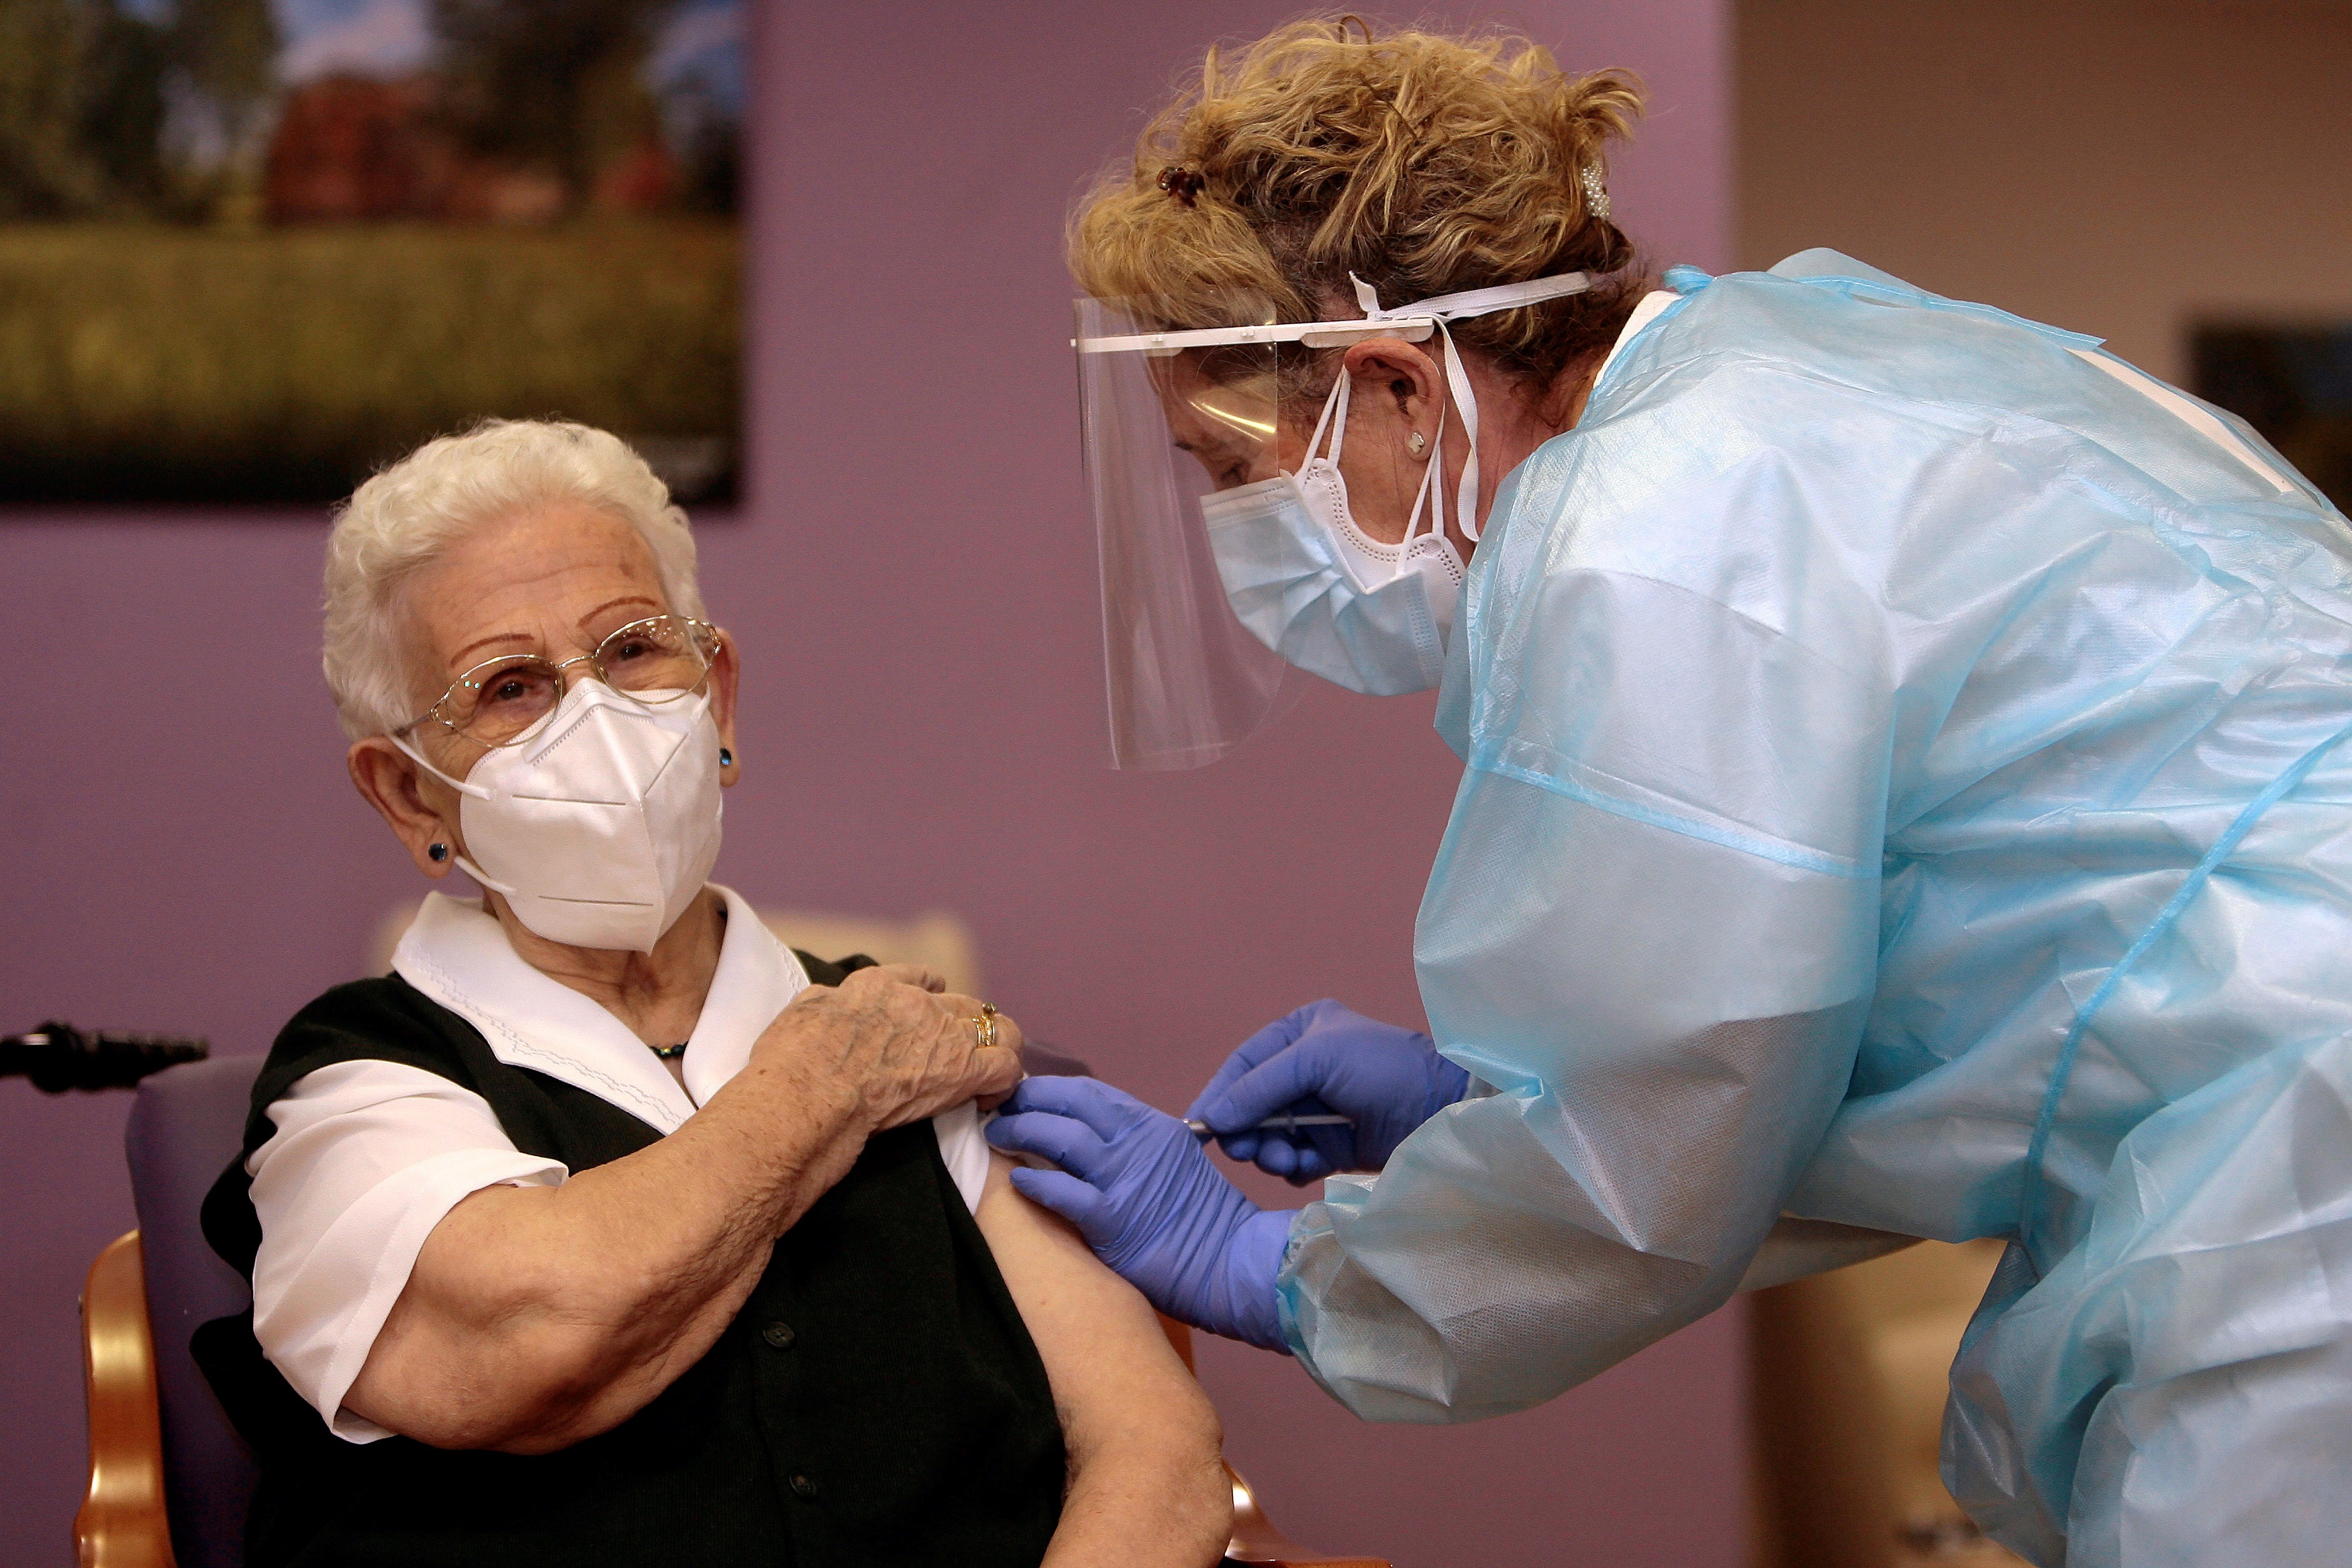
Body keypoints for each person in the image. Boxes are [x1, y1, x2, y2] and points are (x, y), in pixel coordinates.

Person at [983, 19, 2352, 1566]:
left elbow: (1667, 1131)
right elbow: (1843, 1002)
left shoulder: (1651, 526)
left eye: (1236, 473)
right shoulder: (1782, 366)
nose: (1238, 531)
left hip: (2305, 1160)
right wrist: (1491, 1101)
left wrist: (1280, 1268)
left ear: (1396, 389)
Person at [193, 420, 1230, 1568]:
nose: (594, 717)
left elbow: (1155, 1449)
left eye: (633, 650)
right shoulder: (359, 1085)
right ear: (408, 796)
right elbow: (543, 1330)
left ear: (720, 697)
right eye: (510, 686)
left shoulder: (902, 1033)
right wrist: (819, 1088)